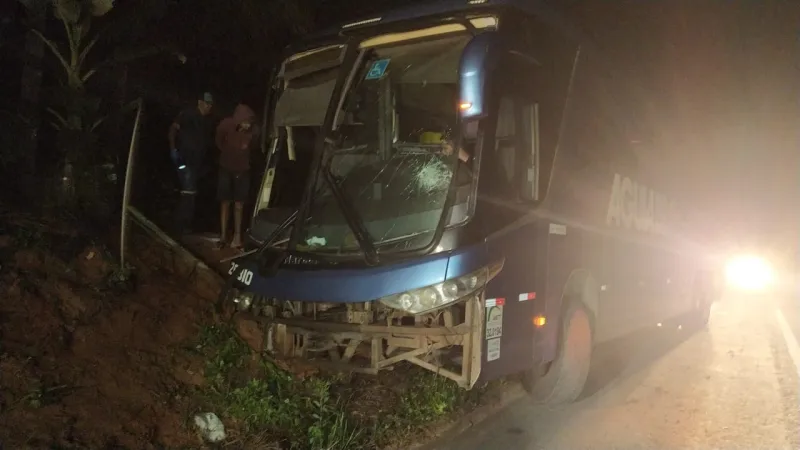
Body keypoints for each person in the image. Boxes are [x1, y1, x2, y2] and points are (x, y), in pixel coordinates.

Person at [168, 92, 214, 234]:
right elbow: (172, 130)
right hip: (184, 159)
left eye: (211, 105)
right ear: (200, 102)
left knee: (190, 191)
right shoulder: (187, 114)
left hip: (196, 163)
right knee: (188, 190)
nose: (209, 107)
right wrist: (173, 150)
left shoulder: (206, 121)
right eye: (207, 104)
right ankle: (180, 226)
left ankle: (184, 225)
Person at [215, 103, 258, 249]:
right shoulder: (226, 125)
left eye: (249, 122)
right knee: (225, 201)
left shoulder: (252, 132)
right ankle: (222, 235)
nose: (247, 125)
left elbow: (254, 149)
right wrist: (227, 154)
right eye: (246, 122)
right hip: (225, 168)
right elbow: (218, 140)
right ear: (239, 119)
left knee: (239, 204)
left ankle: (237, 237)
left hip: (243, 171)